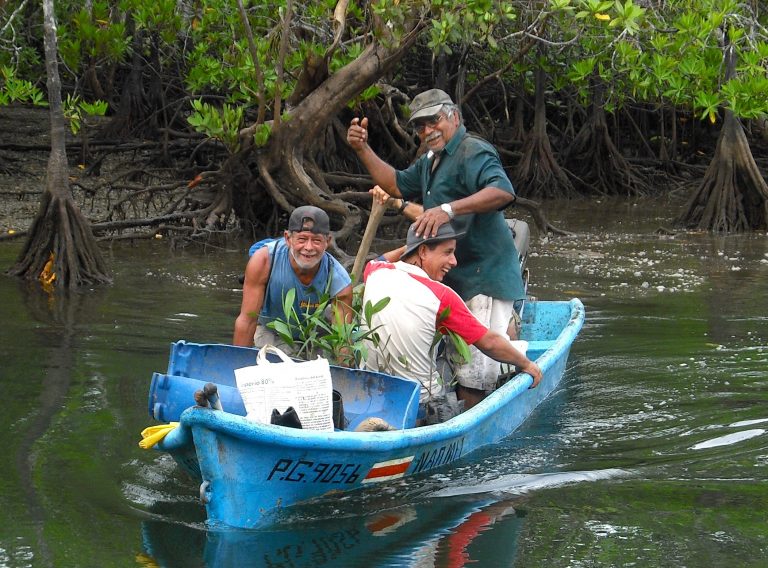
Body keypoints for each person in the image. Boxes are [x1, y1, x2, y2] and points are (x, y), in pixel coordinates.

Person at [348, 88, 525, 407]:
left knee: (475, 371)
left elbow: (503, 192)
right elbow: (397, 184)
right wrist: (362, 149)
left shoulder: (472, 151)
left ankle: (475, 418)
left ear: (454, 117)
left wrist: (448, 209)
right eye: (420, 126)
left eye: (434, 121)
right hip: (450, 275)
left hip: (483, 275)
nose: (428, 130)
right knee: (457, 360)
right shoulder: (432, 159)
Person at [362, 221, 541, 422]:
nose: (454, 261)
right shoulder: (441, 295)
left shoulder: (374, 271)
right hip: (420, 404)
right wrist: (527, 364)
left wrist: (411, 246)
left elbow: (382, 258)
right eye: (447, 252)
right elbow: (489, 342)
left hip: (370, 395)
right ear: (423, 252)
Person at [233, 205, 353, 352]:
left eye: (316, 241)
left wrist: (344, 365)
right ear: (288, 238)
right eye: (302, 239)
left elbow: (342, 338)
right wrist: (238, 362)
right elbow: (247, 321)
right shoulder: (263, 261)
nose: (308, 247)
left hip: (316, 333)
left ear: (327, 242)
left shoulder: (339, 280)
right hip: (273, 330)